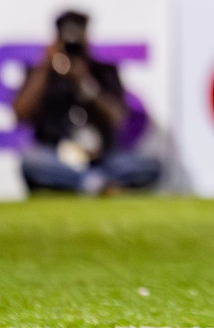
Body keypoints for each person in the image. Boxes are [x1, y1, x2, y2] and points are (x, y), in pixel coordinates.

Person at [12, 10, 161, 195]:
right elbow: (20, 113)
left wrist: (85, 83)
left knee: (150, 164)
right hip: (58, 157)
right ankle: (96, 183)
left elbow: (118, 119)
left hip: (103, 157)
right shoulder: (40, 74)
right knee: (33, 162)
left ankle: (89, 181)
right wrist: (45, 66)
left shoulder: (104, 71)